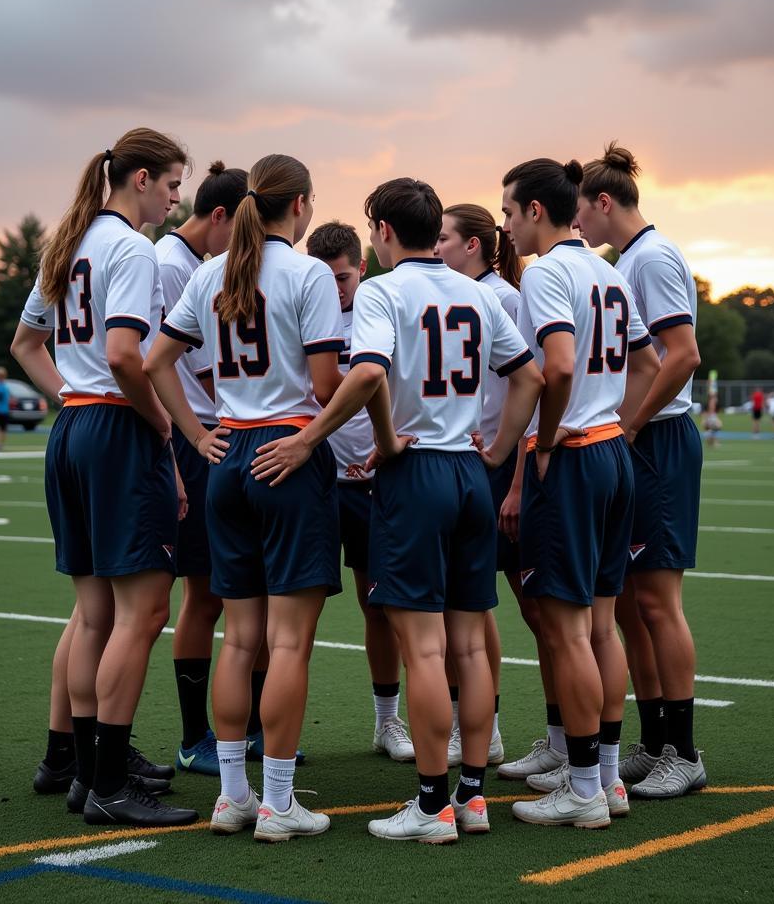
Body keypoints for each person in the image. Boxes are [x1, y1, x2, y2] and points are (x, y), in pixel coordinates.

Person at [251, 177, 544, 843]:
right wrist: (497, 452)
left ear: (382, 231)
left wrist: (318, 439)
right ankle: (470, 797)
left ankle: (433, 805)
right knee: (470, 643)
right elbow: (529, 375)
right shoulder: (475, 289)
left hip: (415, 475)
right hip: (470, 472)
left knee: (425, 647)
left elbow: (368, 372)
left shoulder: (383, 289)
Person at [146, 153, 343, 843]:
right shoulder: (308, 272)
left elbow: (154, 361)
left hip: (229, 456)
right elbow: (324, 385)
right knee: (288, 643)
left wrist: (197, 434)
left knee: (240, 641)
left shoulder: (210, 270)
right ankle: (279, 803)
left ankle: (233, 796)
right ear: (300, 204)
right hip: (286, 455)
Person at [12, 127, 198, 827]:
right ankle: (111, 785)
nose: (176, 199)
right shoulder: (131, 248)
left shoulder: (72, 239)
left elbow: (25, 344)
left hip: (74, 430)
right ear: (142, 178)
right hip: (117, 430)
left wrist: (68, 393)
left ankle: (88, 774)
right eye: (173, 184)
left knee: (95, 614)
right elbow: (126, 355)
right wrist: (159, 423)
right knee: (144, 612)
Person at [500, 156, 659, 830]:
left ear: (537, 210)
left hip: (572, 459)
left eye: (509, 212)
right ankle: (609, 781)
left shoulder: (548, 274)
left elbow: (557, 365)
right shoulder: (608, 270)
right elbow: (649, 364)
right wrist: (615, 424)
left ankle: (587, 789)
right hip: (612, 456)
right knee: (599, 623)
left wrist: (549, 432)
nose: (506, 226)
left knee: (567, 632)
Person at [575, 142, 707, 801]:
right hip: (636, 440)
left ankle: (683, 751)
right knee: (628, 603)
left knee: (657, 601)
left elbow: (682, 354)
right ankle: (655, 742)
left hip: (657, 439)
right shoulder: (627, 261)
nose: (578, 227)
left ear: (604, 203)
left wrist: (628, 424)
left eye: (582, 213)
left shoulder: (650, 258)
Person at [306, 221, 415, 764]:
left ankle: (387, 720)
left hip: (377, 478)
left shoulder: (380, 306)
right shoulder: (306, 308)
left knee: (382, 605)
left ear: (362, 267)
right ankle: (263, 728)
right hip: (320, 476)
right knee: (295, 606)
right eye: (325, 280)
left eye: (343, 277)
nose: (335, 289)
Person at [155, 161, 247, 777]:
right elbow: (148, 362)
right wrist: (180, 445)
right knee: (203, 593)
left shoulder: (196, 262)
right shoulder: (167, 263)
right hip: (193, 437)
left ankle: (244, 725)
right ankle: (194, 737)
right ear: (220, 218)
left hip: (216, 432)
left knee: (226, 591)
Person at [435, 203, 529, 768]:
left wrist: (509, 466)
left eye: (445, 237)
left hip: (493, 463)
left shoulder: (503, 298)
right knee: (470, 605)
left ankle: (494, 725)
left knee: (491, 603)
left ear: (474, 245)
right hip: (467, 463)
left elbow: (529, 385)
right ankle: (479, 723)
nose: (437, 246)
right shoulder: (462, 294)